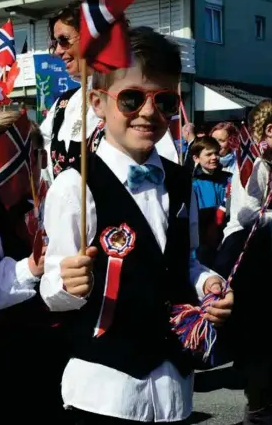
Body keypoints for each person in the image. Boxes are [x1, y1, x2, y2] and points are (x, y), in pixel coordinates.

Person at [39, 26, 233, 424]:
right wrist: (68, 283)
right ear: (97, 102)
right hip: (105, 388)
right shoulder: (74, 186)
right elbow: (54, 287)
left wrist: (208, 283)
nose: (148, 112)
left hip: (173, 384)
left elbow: (187, 261)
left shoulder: (183, 182)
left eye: (163, 101)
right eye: (131, 98)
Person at [0, 111, 70, 424]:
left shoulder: (61, 199)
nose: (28, 166)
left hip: (60, 341)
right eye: (12, 158)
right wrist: (30, 267)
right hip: (11, 346)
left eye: (34, 155)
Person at [41, 2, 179, 184]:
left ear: (92, 38)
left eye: (63, 40)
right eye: (55, 43)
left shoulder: (131, 98)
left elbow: (158, 173)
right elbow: (41, 167)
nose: (58, 51)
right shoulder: (63, 104)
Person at [215, 99, 272, 425]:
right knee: (260, 334)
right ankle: (258, 406)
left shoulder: (270, 160)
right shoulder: (255, 162)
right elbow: (247, 214)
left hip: (265, 247)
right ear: (269, 130)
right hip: (249, 251)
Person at [191, 136, 232, 266]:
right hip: (203, 241)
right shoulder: (192, 183)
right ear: (196, 158)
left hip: (226, 237)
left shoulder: (229, 179)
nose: (214, 157)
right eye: (208, 154)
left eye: (216, 153)